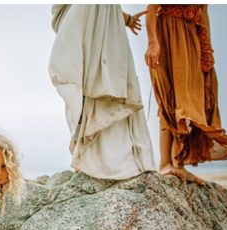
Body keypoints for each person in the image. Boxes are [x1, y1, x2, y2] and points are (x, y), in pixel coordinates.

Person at [49, 4, 157, 180]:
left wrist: (127, 19)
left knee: (109, 80)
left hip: (102, 25)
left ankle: (116, 159)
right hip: (86, 21)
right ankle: (87, 156)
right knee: (89, 80)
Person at [145, 4, 227, 185]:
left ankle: (178, 163)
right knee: (170, 98)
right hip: (168, 34)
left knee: (192, 102)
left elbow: (203, 14)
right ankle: (165, 163)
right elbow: (151, 9)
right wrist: (152, 43)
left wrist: (207, 52)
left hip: (192, 37)